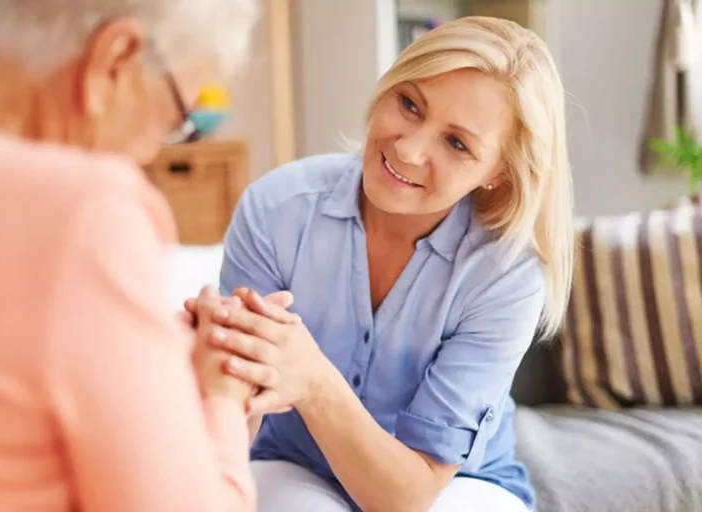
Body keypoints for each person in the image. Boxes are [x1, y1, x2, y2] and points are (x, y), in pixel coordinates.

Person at [188, 16, 574, 512]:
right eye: (409, 104)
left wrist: (311, 378)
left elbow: (408, 497)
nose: (408, 150)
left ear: (498, 173)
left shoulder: (504, 275)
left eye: (456, 143)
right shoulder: (276, 210)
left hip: (456, 484)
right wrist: (213, 369)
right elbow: (230, 422)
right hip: (294, 462)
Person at [0, 0, 261, 510]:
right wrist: (223, 399)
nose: (155, 151)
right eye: (176, 116)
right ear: (116, 59)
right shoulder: (82, 212)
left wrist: (145, 352)